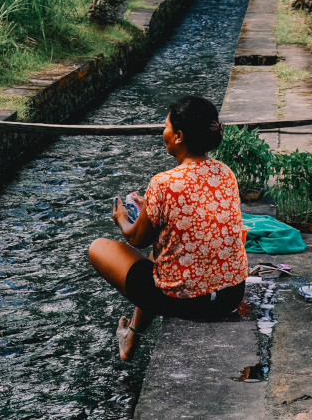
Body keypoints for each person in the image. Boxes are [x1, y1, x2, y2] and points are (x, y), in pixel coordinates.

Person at [87, 94, 249, 361]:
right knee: (163, 250)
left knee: (98, 248)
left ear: (179, 137)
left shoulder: (163, 183)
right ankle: (131, 337)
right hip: (230, 295)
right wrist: (149, 207)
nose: (164, 132)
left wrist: (121, 218)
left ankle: (130, 337)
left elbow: (135, 238)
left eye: (166, 127)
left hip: (186, 302)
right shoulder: (226, 173)